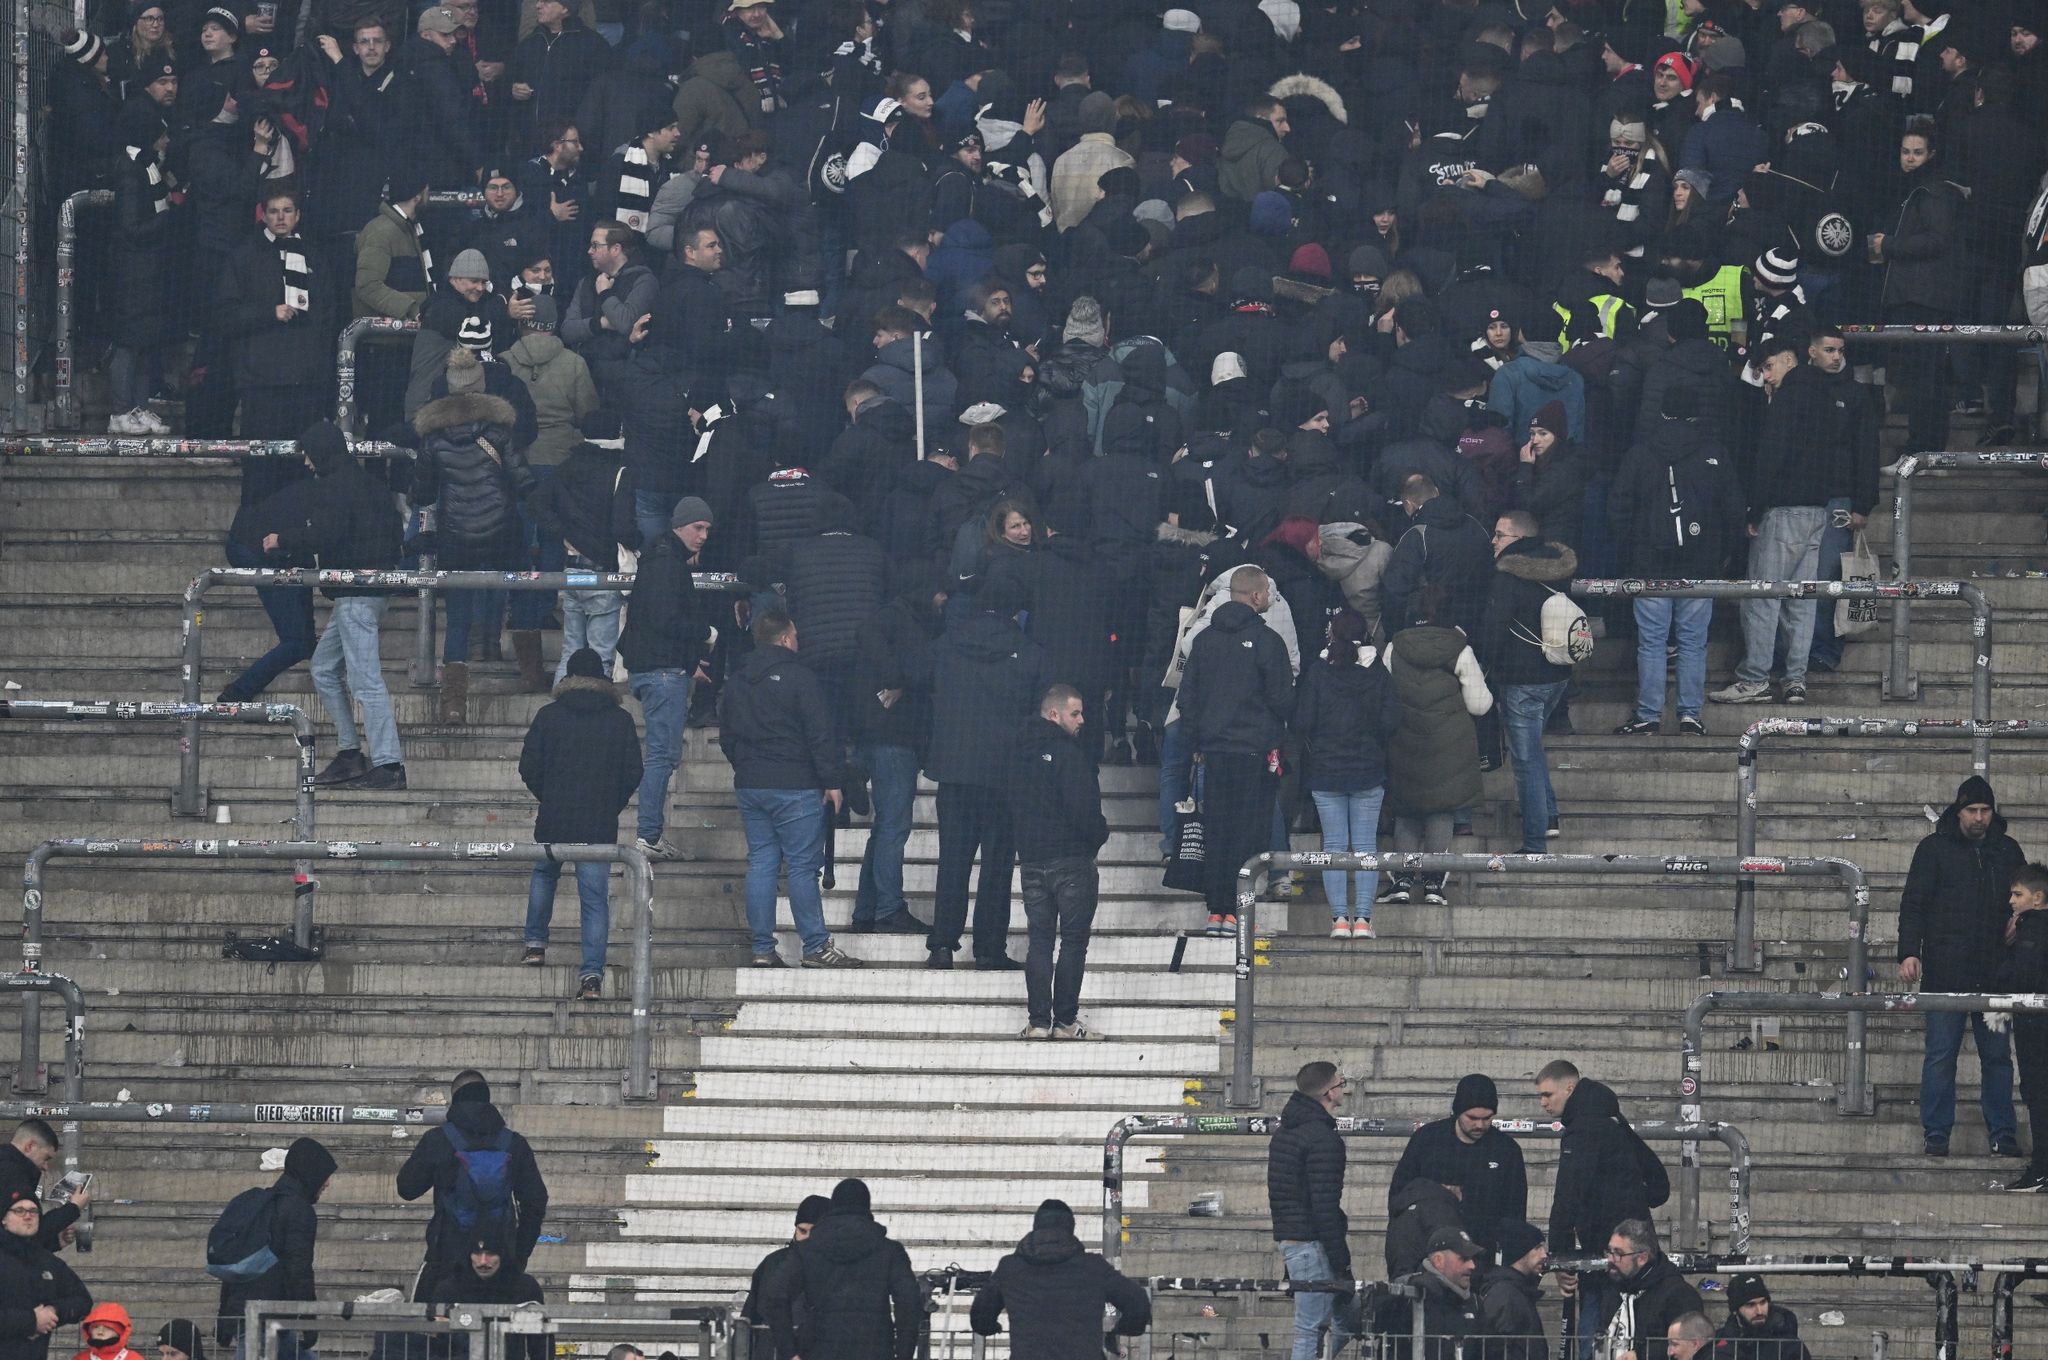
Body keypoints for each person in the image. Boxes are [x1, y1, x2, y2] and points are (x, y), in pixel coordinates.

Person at [719, 608, 862, 970]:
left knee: (762, 863)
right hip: (794, 785)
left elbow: (727, 735)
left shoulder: (737, 680)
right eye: (795, 636)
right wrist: (831, 781)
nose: (798, 642)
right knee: (801, 867)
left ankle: (763, 948)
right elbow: (819, 733)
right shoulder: (801, 678)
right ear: (784, 638)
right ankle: (815, 946)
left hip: (752, 784)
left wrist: (747, 766)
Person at [924, 576, 1048, 970]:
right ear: (1017, 610)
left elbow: (922, 680)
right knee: (997, 866)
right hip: (1004, 776)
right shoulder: (1029, 653)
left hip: (955, 770)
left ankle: (942, 945)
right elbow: (1037, 719)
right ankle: (989, 949)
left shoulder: (947, 646)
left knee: (953, 861)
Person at [1898, 775, 2025, 1157]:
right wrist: (1909, 952)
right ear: (1958, 812)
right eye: (1972, 810)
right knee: (1940, 1055)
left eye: (1985, 810)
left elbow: (2027, 899)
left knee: (1998, 1058)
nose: (1979, 818)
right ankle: (1936, 1133)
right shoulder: (1933, 849)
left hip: (1996, 974)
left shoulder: (2008, 850)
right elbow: (1914, 904)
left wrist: (2021, 921)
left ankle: (2003, 1134)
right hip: (1944, 973)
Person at [276, 423, 407, 792]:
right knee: (323, 669)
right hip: (370, 591)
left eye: (307, 454)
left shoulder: (334, 488)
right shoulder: (370, 484)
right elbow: (395, 532)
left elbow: (324, 533)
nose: (304, 462)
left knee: (365, 681)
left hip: (354, 595)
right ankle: (350, 752)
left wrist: (283, 538)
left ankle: (389, 764)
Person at [1608, 387, 1744, 737]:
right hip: (1700, 566)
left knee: (1651, 642)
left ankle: (1649, 715)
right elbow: (1732, 510)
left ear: (1662, 411)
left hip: (1649, 564)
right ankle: (1690, 716)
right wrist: (1723, 555)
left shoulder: (1640, 452)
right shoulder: (1714, 452)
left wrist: (1631, 551)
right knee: (1693, 642)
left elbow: (1619, 506)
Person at [1707, 338, 1835, 707]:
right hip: (1816, 511)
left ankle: (1755, 679)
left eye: (1768, 367)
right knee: (1801, 600)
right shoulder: (1825, 396)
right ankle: (1796, 680)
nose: (1766, 377)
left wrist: (1755, 509)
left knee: (1762, 597)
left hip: (1782, 511)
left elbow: (1771, 456)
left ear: (1787, 361)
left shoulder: (1787, 398)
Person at [413, 355, 536, 724]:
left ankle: (453, 701)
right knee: (520, 587)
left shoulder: (433, 441)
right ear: (481, 387)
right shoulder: (500, 434)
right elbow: (524, 482)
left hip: (456, 536)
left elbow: (421, 493)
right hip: (502, 532)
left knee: (458, 617)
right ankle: (529, 672)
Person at [1179, 566, 1296, 936]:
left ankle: (1216, 911)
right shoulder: (1268, 642)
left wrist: (1196, 744)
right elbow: (1283, 700)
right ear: (1257, 596)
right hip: (1255, 754)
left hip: (1214, 753)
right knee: (1249, 834)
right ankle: (1238, 913)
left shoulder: (1205, 641)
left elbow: (1188, 699)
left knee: (1218, 831)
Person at [518, 646, 642, 994]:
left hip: (554, 816)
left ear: (568, 678)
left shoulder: (549, 716)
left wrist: (549, 795)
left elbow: (528, 766)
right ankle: (591, 975)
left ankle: (535, 945)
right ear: (601, 679)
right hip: (598, 822)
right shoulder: (620, 720)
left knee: (544, 876)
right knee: (594, 899)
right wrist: (610, 804)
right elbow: (634, 771)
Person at [1536, 1062, 1671, 1353]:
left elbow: (1566, 1198)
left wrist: (1561, 1259)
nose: (1543, 1103)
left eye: (1548, 1094)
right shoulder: (1612, 1118)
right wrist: (1630, 1198)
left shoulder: (1582, 1129)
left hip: (1602, 1254)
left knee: (1596, 1327)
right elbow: (1659, 1184)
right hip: (1638, 1249)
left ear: (1569, 1088)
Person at [1380, 585, 1492, 907]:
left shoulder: (1394, 648)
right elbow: (1480, 705)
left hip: (1404, 739)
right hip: (1449, 744)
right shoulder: (1459, 648)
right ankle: (1432, 885)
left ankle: (1401, 881)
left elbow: (1384, 696)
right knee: (1441, 810)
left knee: (1406, 811)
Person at [618, 496, 716, 863]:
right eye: (698, 527)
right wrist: (706, 634)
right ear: (679, 526)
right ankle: (648, 835)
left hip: (655, 668)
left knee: (662, 754)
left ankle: (651, 833)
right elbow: (666, 619)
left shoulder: (659, 558)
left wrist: (689, 663)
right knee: (662, 755)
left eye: (707, 529)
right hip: (662, 673)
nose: (704, 535)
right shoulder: (667, 564)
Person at [1011, 685, 1110, 1039]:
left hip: (1032, 861)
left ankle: (1038, 1022)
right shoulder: (1069, 754)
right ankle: (1065, 1021)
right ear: (1054, 714)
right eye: (1075, 713)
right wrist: (1099, 836)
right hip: (1071, 860)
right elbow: (1084, 810)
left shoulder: (1017, 753)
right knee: (1072, 941)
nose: (1082, 720)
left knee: (1039, 941)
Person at [1293, 610, 1399, 937]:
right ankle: (1364, 920)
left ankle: (1339, 919)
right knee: (1366, 846)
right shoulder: (1378, 671)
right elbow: (1391, 721)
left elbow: (1302, 721)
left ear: (1331, 635)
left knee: (1334, 847)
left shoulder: (1317, 671)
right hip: (1368, 769)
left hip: (1325, 771)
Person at [396, 1073, 548, 1294]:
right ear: (487, 1099)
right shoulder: (514, 1144)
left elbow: (407, 1189)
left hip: (446, 1259)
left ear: (455, 1100)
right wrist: (519, 1253)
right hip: (499, 1264)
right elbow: (535, 1202)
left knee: (436, 1321)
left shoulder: (438, 1140)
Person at [1481, 510, 1577, 852]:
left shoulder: (1507, 578)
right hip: (1557, 675)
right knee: (1534, 750)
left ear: (1518, 540)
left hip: (1520, 680)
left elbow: (1494, 631)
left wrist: (1483, 666)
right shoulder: (1560, 571)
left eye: (1499, 535)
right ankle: (1549, 816)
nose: (1493, 541)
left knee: (1525, 760)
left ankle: (1535, 843)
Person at [755, 1178, 923, 1360]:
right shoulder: (890, 1252)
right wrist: (904, 1354)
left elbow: (774, 1297)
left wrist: (789, 1351)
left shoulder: (806, 1251)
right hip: (875, 1350)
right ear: (867, 1208)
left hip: (817, 1350)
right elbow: (909, 1303)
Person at [969, 1198, 1152, 1359]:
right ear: (1071, 1229)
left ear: (1036, 1227)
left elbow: (980, 1315)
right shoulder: (1093, 1268)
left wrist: (991, 1327)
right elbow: (1137, 1301)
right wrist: (1121, 1330)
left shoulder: (1010, 1268)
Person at [217, 1137, 335, 1360]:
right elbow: (298, 1269)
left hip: (254, 1316)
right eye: (325, 1175)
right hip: (269, 1318)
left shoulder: (261, 1205)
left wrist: (224, 1318)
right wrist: (309, 1322)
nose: (327, 1183)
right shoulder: (298, 1211)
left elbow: (233, 1267)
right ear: (311, 1173)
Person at [1267, 1061, 1355, 1360]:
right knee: (1311, 1329)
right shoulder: (1323, 1139)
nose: (1344, 1088)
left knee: (1345, 1318)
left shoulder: (1285, 1133)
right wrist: (1342, 1263)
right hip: (1312, 1244)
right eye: (1341, 1083)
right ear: (1330, 1093)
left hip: (1294, 1241)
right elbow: (1324, 1206)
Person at [1388, 1075, 1528, 1256]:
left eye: (1487, 1118)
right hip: (1428, 1252)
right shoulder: (1427, 1140)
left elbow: (1515, 1212)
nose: (1480, 1125)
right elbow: (1400, 1195)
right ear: (1457, 1111)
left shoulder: (1506, 1150)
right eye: (1472, 1117)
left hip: (1482, 1254)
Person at [423, 1228, 547, 1359]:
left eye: (490, 1254)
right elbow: (437, 1344)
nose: (483, 1261)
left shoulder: (525, 1287)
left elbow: (541, 1342)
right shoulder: (448, 1289)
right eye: (477, 1253)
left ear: (503, 1255)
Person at [2001, 862, 2048, 1192]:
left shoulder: (2032, 928)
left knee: (2038, 1095)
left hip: (2036, 1026)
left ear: (2038, 896)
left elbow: (2025, 975)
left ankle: (2041, 1169)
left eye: (2018, 894)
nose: (2012, 901)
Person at [0, 1191, 90, 1360]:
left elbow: (82, 1300)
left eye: (34, 1211)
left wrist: (53, 1311)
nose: (28, 1216)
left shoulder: (47, 1261)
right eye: (19, 1211)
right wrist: (31, 1321)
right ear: (3, 1219)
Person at [741, 1195, 832, 1359]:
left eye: (814, 1232)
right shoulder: (773, 1264)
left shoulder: (838, 1268)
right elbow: (751, 1316)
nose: (807, 1238)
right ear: (795, 1228)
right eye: (802, 1230)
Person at [1601, 1219, 1704, 1360]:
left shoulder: (1679, 1294)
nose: (1611, 1259)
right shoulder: (1615, 1289)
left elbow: (1690, 1345)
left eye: (1618, 1253)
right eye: (1609, 1251)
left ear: (1642, 1258)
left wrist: (1641, 1356)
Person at [1377, 1227, 1483, 1359]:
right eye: (1464, 1258)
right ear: (1439, 1260)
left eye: (1472, 1259)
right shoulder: (1411, 1294)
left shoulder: (1474, 1302)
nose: (1472, 1265)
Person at [0, 1121, 85, 1252]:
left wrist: (54, 1243)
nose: (45, 1166)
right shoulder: (13, 1176)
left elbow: (16, 1240)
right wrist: (73, 1208)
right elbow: (29, 1230)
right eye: (46, 1158)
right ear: (29, 1146)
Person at [1474, 1221, 1549, 1360]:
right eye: (1538, 1247)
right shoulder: (1505, 1294)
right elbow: (1496, 1348)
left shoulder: (1516, 1290)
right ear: (1521, 1251)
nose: (1544, 1254)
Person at [1711, 1275, 1812, 1358]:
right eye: (1751, 1305)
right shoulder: (1721, 1342)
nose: (1759, 1311)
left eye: (1763, 1302)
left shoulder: (1789, 1345)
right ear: (1735, 1310)